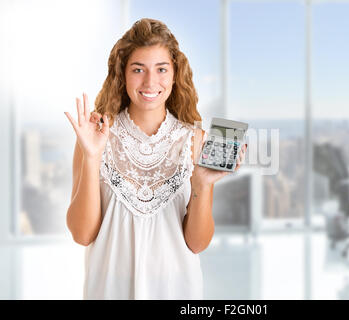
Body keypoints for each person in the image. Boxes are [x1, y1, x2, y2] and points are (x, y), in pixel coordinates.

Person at [64, 18, 247, 300]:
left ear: (175, 75)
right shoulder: (95, 136)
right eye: (138, 69)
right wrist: (91, 156)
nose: (150, 82)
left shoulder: (196, 139)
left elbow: (197, 244)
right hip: (108, 291)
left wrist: (202, 183)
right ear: (122, 74)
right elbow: (82, 235)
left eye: (161, 69)